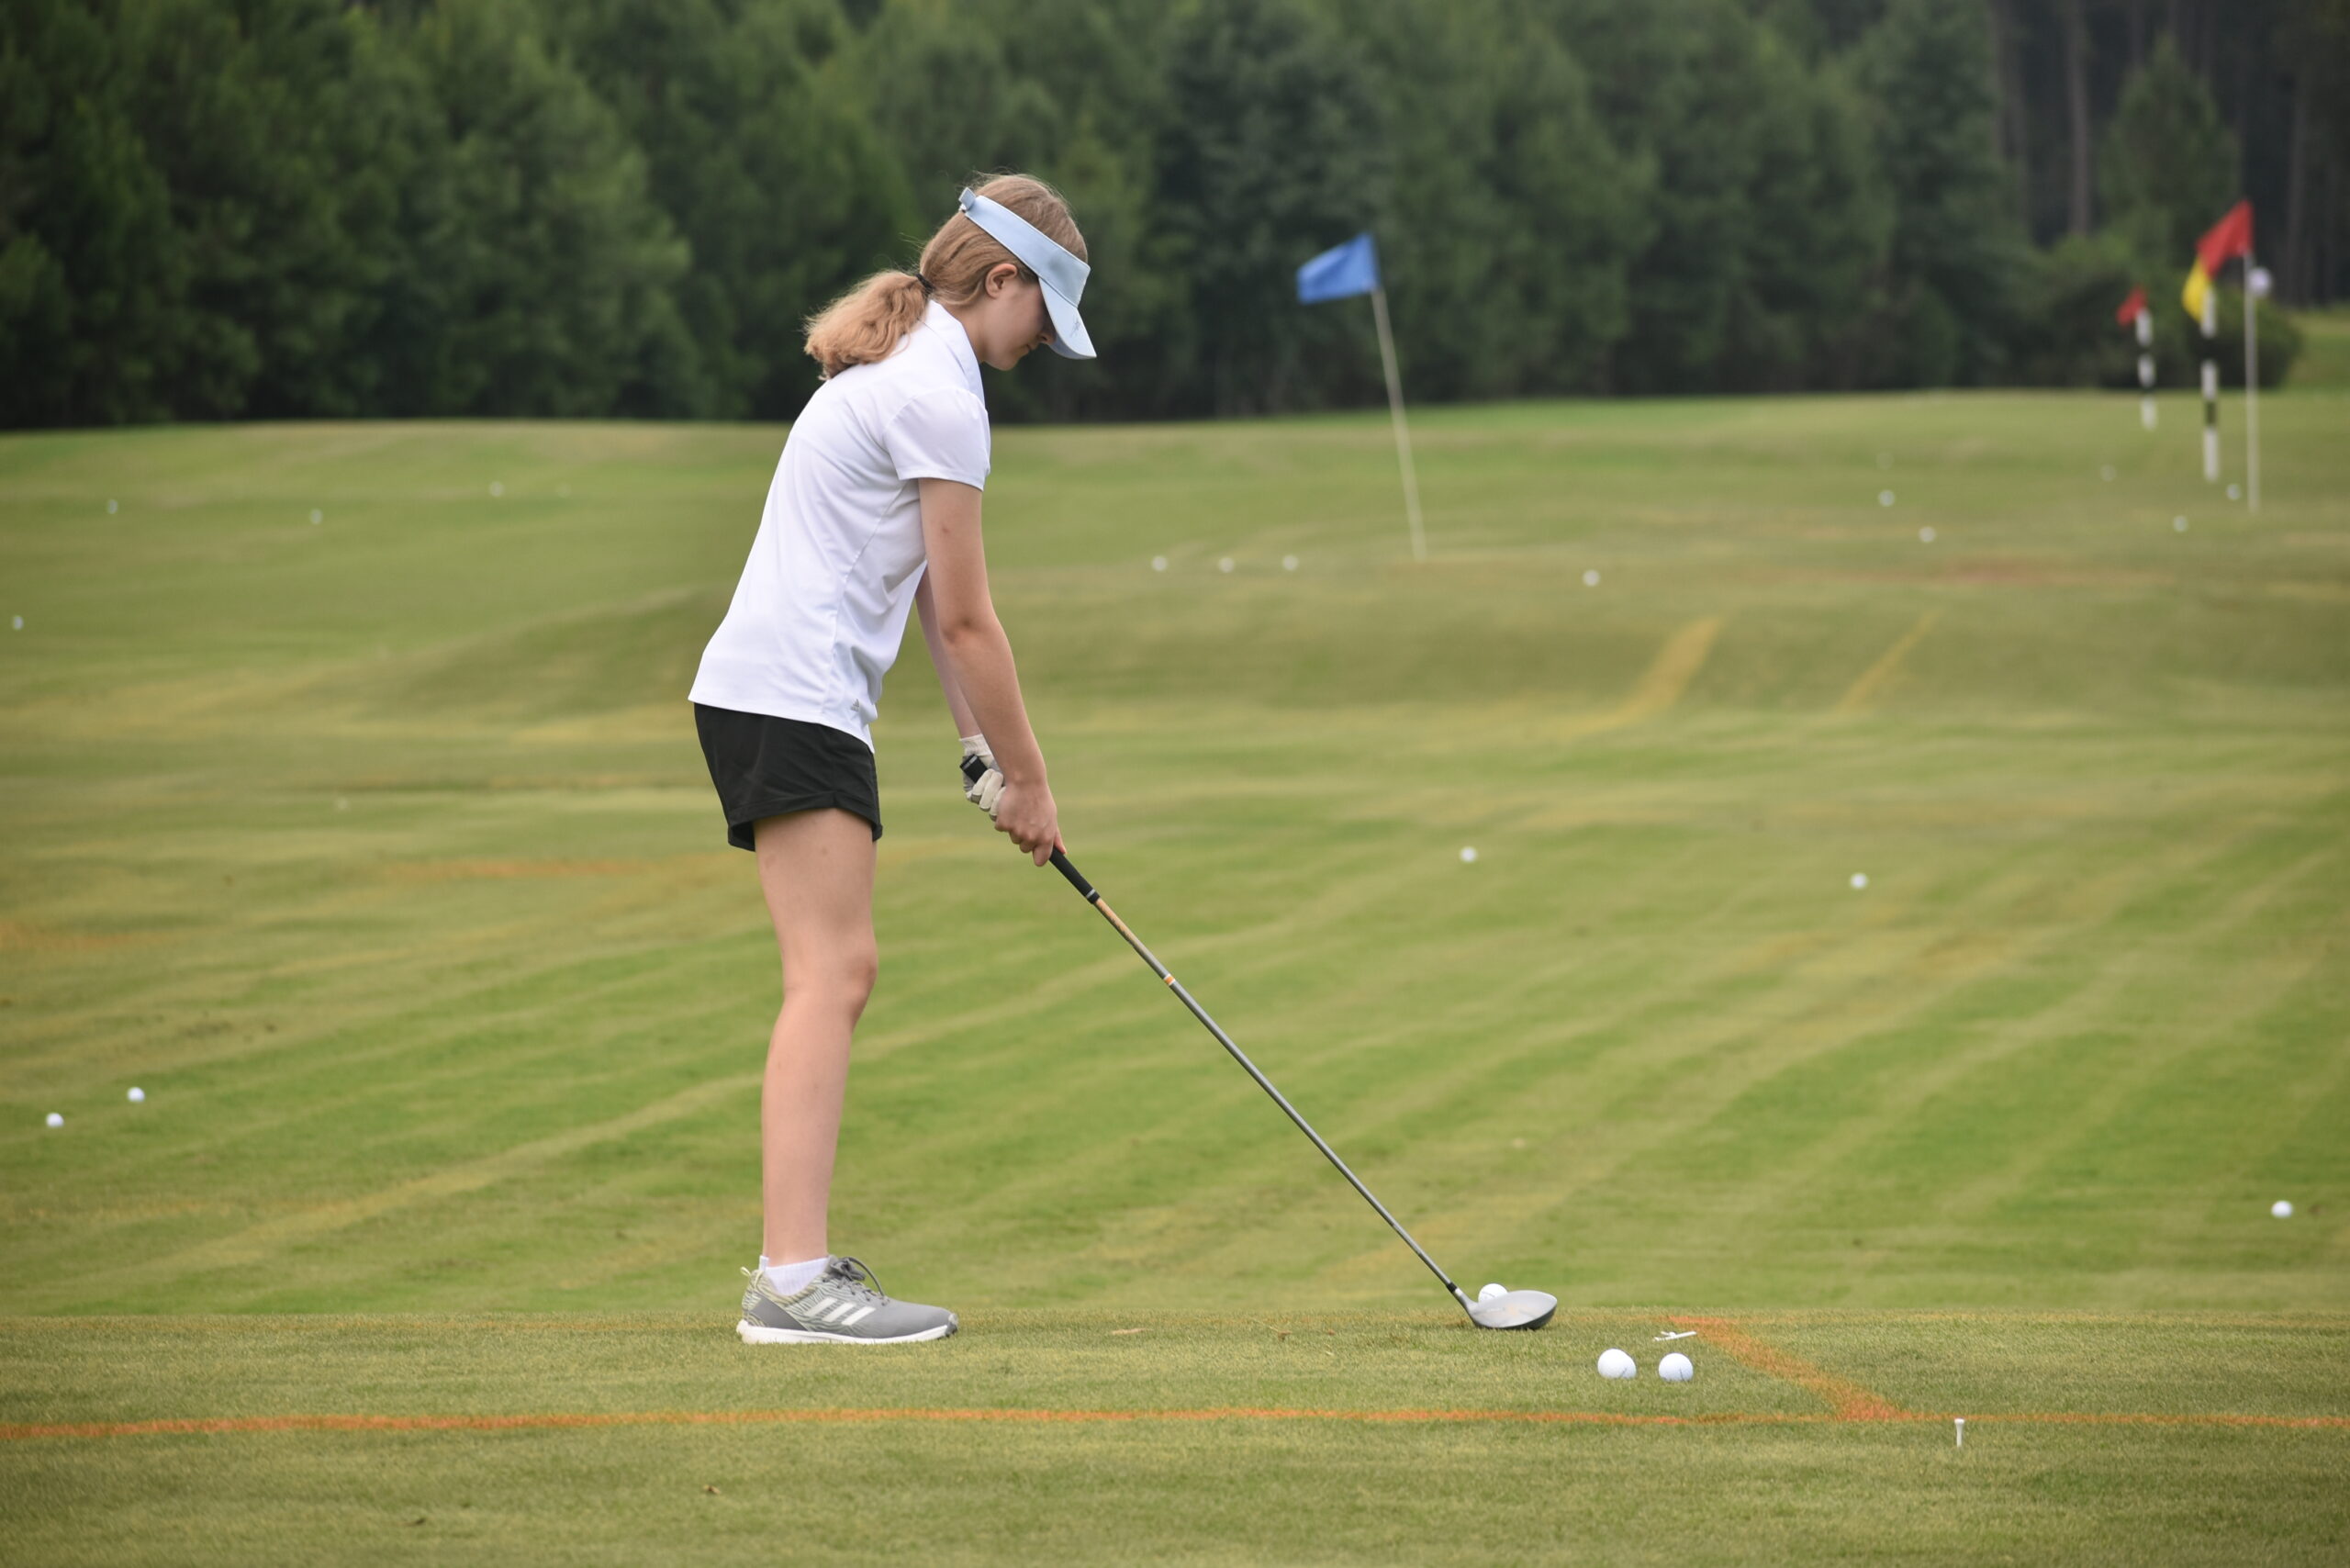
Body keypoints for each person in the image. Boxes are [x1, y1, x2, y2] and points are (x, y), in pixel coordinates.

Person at [688, 175, 1093, 1343]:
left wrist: (979, 751)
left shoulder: (901, 365)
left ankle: (795, 1272)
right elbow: (968, 619)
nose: (1045, 340)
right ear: (1002, 279)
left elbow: (919, 593)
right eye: (1044, 310)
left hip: (772, 693)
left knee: (835, 970)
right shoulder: (940, 394)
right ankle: (792, 1282)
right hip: (794, 696)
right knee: (834, 973)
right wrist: (1032, 780)